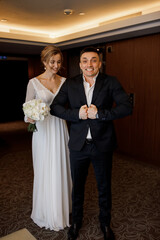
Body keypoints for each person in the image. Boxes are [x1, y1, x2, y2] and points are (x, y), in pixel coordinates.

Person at [50, 46, 132, 240]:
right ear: (80, 64)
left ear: (100, 63)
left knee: (104, 186)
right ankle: (76, 222)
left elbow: (126, 107)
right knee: (77, 186)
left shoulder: (110, 82)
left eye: (93, 60)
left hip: (102, 144)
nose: (89, 64)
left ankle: (105, 223)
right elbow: (55, 108)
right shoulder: (70, 84)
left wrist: (101, 114)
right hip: (78, 145)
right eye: (85, 61)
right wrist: (76, 114)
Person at [24, 45, 72, 231]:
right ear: (44, 62)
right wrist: (33, 115)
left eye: (59, 61)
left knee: (61, 165)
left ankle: (61, 207)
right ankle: (46, 210)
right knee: (45, 168)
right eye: (52, 61)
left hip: (60, 128)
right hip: (43, 132)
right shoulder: (33, 83)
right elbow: (26, 111)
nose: (56, 65)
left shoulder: (65, 82)